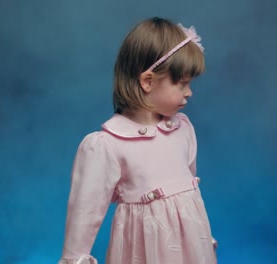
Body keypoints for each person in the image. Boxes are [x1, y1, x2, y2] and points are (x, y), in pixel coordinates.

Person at [58, 17, 217, 264]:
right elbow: (85, 212)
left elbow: (191, 194)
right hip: (144, 253)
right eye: (182, 83)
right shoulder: (108, 145)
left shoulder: (183, 129)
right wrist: (74, 257)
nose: (189, 92)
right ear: (148, 81)